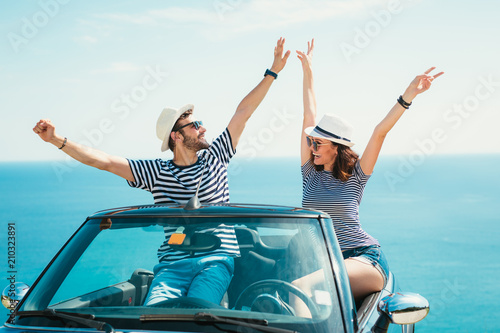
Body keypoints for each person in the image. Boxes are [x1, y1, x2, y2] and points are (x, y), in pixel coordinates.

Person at [32, 37, 290, 306]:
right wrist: (55, 139)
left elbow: (243, 112)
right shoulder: (156, 172)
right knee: (153, 316)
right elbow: (104, 161)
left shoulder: (216, 156)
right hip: (171, 268)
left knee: (197, 312)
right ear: (176, 137)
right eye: (194, 125)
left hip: (215, 261)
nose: (202, 127)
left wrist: (272, 72)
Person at [296, 39, 443, 302]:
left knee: (304, 286)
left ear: (337, 147)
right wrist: (308, 71)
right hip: (329, 260)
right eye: (310, 141)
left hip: (363, 258)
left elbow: (380, 132)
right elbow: (309, 115)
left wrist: (408, 95)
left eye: (317, 142)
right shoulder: (310, 174)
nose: (311, 146)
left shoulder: (355, 176)